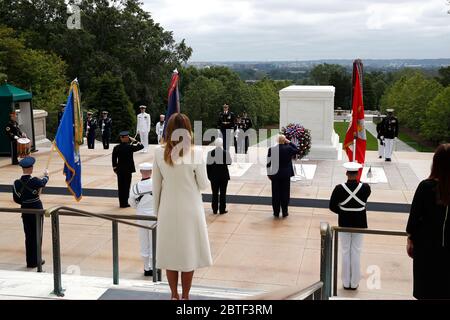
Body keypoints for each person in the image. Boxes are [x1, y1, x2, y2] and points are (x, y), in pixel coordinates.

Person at [153, 113, 212, 300]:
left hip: (168, 209)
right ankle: (186, 296)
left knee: (170, 255)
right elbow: (203, 184)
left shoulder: (158, 152)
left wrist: (158, 212)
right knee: (189, 255)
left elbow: (156, 186)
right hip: (190, 209)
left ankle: (174, 295)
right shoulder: (196, 153)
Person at [406, 143, 450, 299]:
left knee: (426, 291)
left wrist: (410, 240)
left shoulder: (426, 187)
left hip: (426, 249)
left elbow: (414, 219)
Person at [329, 162, 371, 290]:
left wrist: (343, 212)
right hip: (360, 223)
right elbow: (364, 200)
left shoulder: (339, 188)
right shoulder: (365, 188)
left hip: (344, 222)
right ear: (358, 173)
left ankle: (346, 282)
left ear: (346, 173)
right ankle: (354, 283)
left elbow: (332, 206)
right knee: (356, 252)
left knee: (345, 251)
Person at [12, 157, 49, 268]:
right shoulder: (35, 180)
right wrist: (47, 174)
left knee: (28, 236)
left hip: (25, 210)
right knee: (37, 235)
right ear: (31, 168)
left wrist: (26, 202)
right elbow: (43, 182)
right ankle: (36, 260)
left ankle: (30, 261)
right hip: (37, 209)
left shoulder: (16, 183)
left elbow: (16, 199)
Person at [129, 162, 155, 277]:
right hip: (154, 216)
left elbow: (131, 202)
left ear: (140, 172)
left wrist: (139, 208)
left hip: (141, 216)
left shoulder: (135, 186)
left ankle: (146, 267)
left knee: (144, 242)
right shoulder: (156, 184)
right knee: (154, 242)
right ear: (151, 171)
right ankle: (154, 267)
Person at [266, 134, 299, 218]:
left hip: (275, 174)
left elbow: (268, 163)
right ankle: (285, 212)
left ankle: (276, 212)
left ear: (277, 141)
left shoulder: (271, 149)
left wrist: (269, 174)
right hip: (285, 174)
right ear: (284, 140)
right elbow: (296, 149)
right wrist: (289, 142)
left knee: (275, 193)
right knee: (285, 193)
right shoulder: (288, 148)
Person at [112, 131, 144, 208]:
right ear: (126, 138)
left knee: (121, 187)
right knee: (126, 186)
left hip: (119, 170)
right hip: (128, 170)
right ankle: (125, 202)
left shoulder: (116, 147)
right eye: (128, 137)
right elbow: (141, 146)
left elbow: (114, 159)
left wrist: (115, 168)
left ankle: (122, 203)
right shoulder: (130, 147)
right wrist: (135, 140)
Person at [207, 138, 232, 215]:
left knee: (214, 193)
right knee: (223, 193)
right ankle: (222, 209)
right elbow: (229, 162)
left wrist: (209, 176)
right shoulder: (225, 153)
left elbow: (208, 166)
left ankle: (214, 209)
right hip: (223, 177)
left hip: (214, 177)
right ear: (221, 144)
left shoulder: (210, 153)